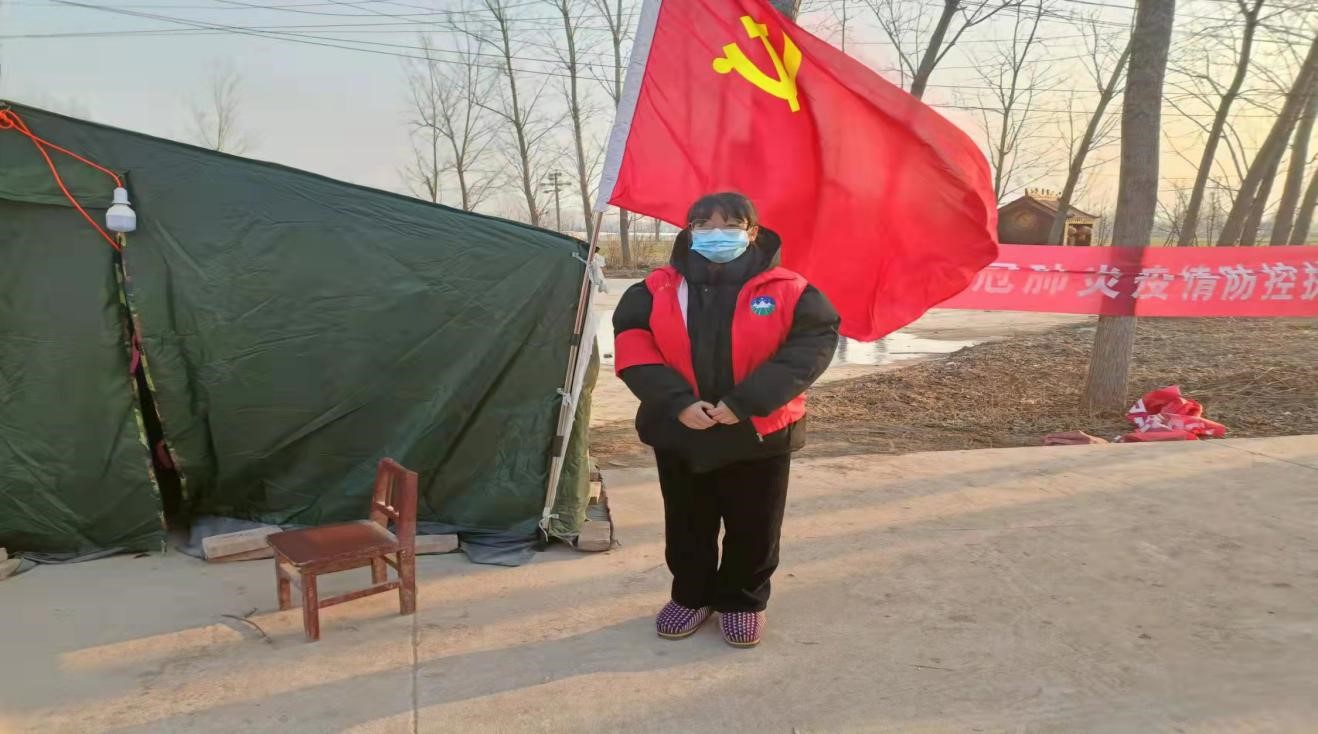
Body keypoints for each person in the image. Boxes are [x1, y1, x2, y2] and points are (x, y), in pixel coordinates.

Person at [612, 192, 840, 648]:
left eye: (730, 225)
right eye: (704, 225)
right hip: (682, 429)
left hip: (758, 430)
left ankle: (741, 601)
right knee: (687, 521)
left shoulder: (790, 289)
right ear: (689, 231)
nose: (717, 233)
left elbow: (811, 346)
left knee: (754, 524)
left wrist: (746, 401)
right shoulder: (655, 288)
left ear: (751, 232)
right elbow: (634, 346)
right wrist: (678, 402)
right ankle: (691, 596)